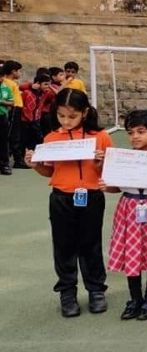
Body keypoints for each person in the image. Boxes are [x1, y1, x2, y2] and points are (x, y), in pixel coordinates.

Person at [24, 88, 113, 318]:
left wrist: (100, 162)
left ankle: (96, 290)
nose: (66, 121)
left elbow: (110, 171)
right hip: (61, 198)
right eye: (61, 115)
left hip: (91, 197)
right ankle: (67, 293)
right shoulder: (51, 139)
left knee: (91, 244)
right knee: (64, 246)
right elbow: (49, 171)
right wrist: (36, 165)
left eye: (72, 116)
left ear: (85, 112)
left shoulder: (101, 137)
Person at [101, 110, 147, 321]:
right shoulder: (123, 158)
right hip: (128, 207)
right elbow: (117, 187)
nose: (135, 136)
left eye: (141, 132)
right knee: (131, 253)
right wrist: (106, 187)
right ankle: (135, 299)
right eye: (130, 132)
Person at [2, 60, 25, 169]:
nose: (20, 73)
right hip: (13, 109)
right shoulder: (7, 83)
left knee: (16, 135)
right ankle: (16, 160)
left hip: (17, 109)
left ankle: (16, 158)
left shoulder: (13, 83)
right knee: (12, 135)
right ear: (13, 71)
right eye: (18, 71)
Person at [20, 74, 49, 152]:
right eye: (45, 84)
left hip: (36, 120)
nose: (48, 87)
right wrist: (31, 85)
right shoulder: (27, 92)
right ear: (38, 84)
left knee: (37, 140)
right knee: (25, 141)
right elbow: (19, 87)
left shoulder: (44, 93)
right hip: (25, 121)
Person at [41, 68, 64, 136]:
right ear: (53, 77)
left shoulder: (57, 86)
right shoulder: (51, 87)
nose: (63, 77)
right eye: (61, 75)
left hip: (52, 112)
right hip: (47, 112)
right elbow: (59, 93)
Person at [0, 78, 14, 175]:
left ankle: (4, 165)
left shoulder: (6, 88)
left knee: (3, 141)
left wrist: (1, 101)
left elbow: (11, 102)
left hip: (2, 117)